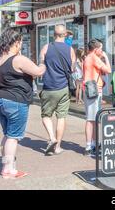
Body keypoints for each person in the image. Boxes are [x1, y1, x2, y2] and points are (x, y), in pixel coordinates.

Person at [0, 29, 46, 179]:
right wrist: (43, 62)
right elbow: (37, 72)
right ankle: (8, 169)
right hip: (15, 101)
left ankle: (6, 164)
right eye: (21, 42)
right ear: (16, 43)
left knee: (7, 135)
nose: (21, 45)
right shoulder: (18, 59)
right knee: (13, 136)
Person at [38, 24, 76, 156]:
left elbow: (41, 65)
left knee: (46, 115)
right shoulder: (70, 49)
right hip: (63, 87)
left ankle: (52, 137)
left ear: (53, 34)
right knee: (61, 117)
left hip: (48, 87)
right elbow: (72, 69)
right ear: (65, 35)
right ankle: (58, 146)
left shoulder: (46, 47)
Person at [83, 39, 111, 156]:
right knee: (91, 119)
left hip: (91, 89)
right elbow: (108, 70)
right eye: (101, 49)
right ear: (96, 50)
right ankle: (89, 146)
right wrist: (106, 57)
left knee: (94, 118)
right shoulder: (94, 57)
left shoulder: (88, 57)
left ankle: (93, 143)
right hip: (93, 90)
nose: (102, 51)